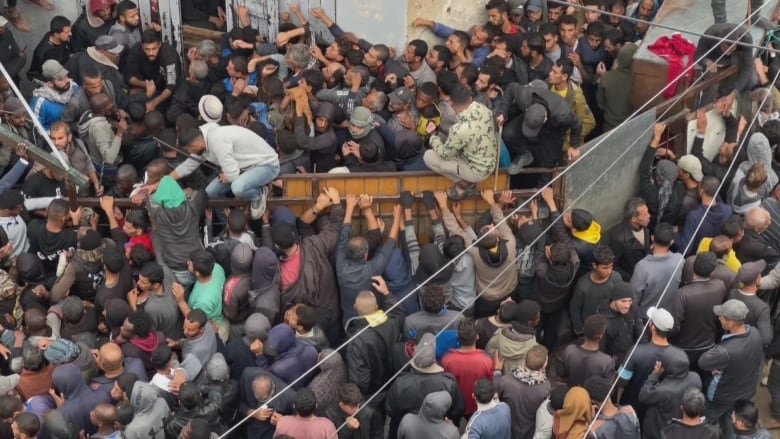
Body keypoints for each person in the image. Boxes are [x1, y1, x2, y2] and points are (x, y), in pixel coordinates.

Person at [172, 124, 280, 219]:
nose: (190, 153)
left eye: (188, 150)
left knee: (237, 188)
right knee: (210, 191)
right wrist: (164, 180)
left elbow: (232, 175)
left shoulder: (217, 141)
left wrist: (228, 176)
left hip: (267, 165)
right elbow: (187, 166)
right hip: (243, 167)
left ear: (194, 145)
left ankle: (259, 193)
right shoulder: (203, 141)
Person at [699, 299, 765, 437]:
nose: (719, 318)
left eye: (721, 316)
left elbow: (703, 362)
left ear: (730, 323)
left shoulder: (725, 351)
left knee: (706, 422)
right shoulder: (755, 333)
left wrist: (717, 367)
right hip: (744, 392)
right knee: (730, 422)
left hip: (721, 397)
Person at [423, 85, 497, 198]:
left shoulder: (459, 130)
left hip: (476, 171)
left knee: (428, 156)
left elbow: (444, 154)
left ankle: (465, 184)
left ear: (451, 103)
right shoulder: (484, 109)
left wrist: (432, 136)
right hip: (489, 164)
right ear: (470, 99)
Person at [495, 82, 583, 173]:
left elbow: (577, 124)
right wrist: (503, 111)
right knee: (509, 133)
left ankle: (544, 184)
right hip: (529, 117)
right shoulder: (524, 96)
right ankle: (524, 154)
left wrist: (574, 145)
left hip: (553, 129)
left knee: (549, 163)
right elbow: (511, 87)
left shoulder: (563, 114)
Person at [638, 346, 703, 439]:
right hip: (679, 424)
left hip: (660, 428)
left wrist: (654, 375)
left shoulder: (664, 390)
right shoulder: (695, 377)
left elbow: (643, 396)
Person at [494, 344, 551, 439]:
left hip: (508, 431)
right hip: (529, 433)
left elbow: (494, 392)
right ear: (545, 365)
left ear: (524, 360)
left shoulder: (506, 381)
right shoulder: (545, 388)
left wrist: (497, 371)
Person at [630, 223, 684, 313]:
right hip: (669, 313)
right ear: (672, 242)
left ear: (652, 238)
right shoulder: (679, 259)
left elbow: (634, 296)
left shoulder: (642, 266)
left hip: (647, 315)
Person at [124, 30, 182, 114]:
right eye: (147, 49)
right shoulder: (136, 50)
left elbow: (171, 86)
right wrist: (145, 84)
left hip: (166, 91)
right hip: (148, 86)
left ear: (159, 45)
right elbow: (128, 75)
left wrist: (154, 103)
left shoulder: (169, 54)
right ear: (142, 46)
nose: (151, 53)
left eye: (154, 49)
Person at [558, 314, 615, 387]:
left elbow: (560, 372)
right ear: (601, 335)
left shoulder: (569, 350)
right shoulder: (606, 361)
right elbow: (608, 386)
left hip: (571, 392)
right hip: (590, 397)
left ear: (583, 329)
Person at [608, 197, 651, 280]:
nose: (649, 216)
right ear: (634, 219)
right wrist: (630, 278)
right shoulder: (618, 238)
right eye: (645, 214)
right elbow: (612, 265)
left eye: (647, 212)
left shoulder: (645, 226)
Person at [28, 16, 73, 83]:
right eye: (66, 32)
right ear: (56, 34)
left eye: (70, 31)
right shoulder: (42, 52)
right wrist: (50, 84)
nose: (70, 34)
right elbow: (32, 75)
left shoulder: (63, 38)